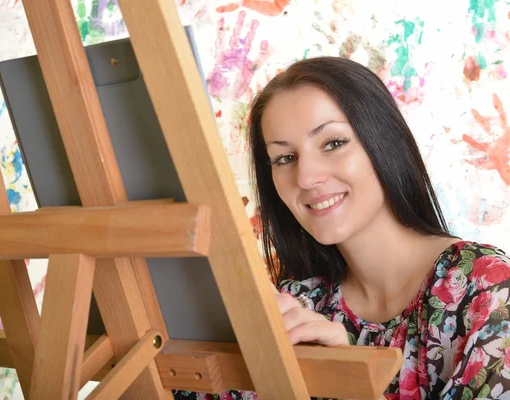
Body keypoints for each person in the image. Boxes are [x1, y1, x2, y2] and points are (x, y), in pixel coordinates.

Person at [173, 57, 510, 400]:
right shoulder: (299, 306)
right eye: (285, 158)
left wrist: (353, 385)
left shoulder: (485, 289)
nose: (305, 177)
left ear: (384, 140)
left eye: (333, 143)